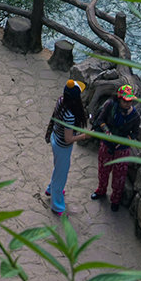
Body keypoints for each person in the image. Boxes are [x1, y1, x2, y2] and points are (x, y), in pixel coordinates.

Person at [90, 84, 141, 212]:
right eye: (125, 101)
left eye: (130, 101)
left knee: (119, 177)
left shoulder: (135, 116)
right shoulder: (110, 106)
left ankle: (115, 200)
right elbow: (100, 120)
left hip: (122, 150)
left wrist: (123, 141)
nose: (128, 104)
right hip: (107, 144)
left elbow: (134, 134)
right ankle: (101, 191)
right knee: (103, 170)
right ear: (119, 99)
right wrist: (107, 133)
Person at [45, 79, 87, 216]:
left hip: (55, 138)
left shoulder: (60, 101)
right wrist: (84, 136)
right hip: (63, 147)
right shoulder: (70, 116)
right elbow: (68, 139)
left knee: (58, 169)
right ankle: (57, 206)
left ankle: (51, 189)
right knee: (61, 175)